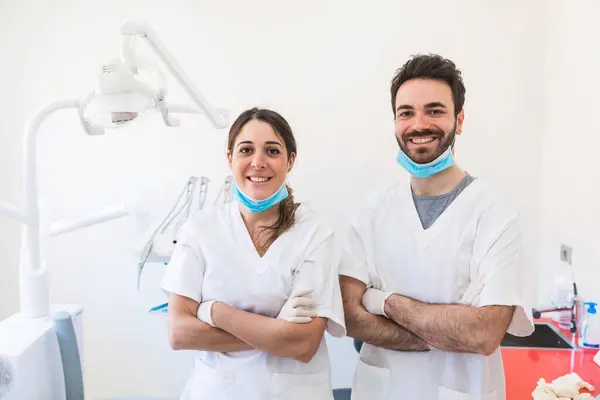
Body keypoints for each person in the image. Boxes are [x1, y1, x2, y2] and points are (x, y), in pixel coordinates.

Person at [339, 54, 534, 400]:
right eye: (406, 113)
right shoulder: (372, 211)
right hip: (380, 390)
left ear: (459, 121)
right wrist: (447, 328)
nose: (418, 124)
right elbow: (350, 316)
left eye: (434, 110)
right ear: (395, 122)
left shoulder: (495, 213)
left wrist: (383, 301)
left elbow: (483, 334)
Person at [160, 107, 345, 400]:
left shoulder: (315, 234)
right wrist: (275, 330)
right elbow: (180, 333)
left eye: (272, 151)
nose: (258, 162)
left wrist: (214, 312)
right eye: (246, 150)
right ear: (230, 158)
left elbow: (302, 344)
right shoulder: (200, 229)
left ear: (291, 161)